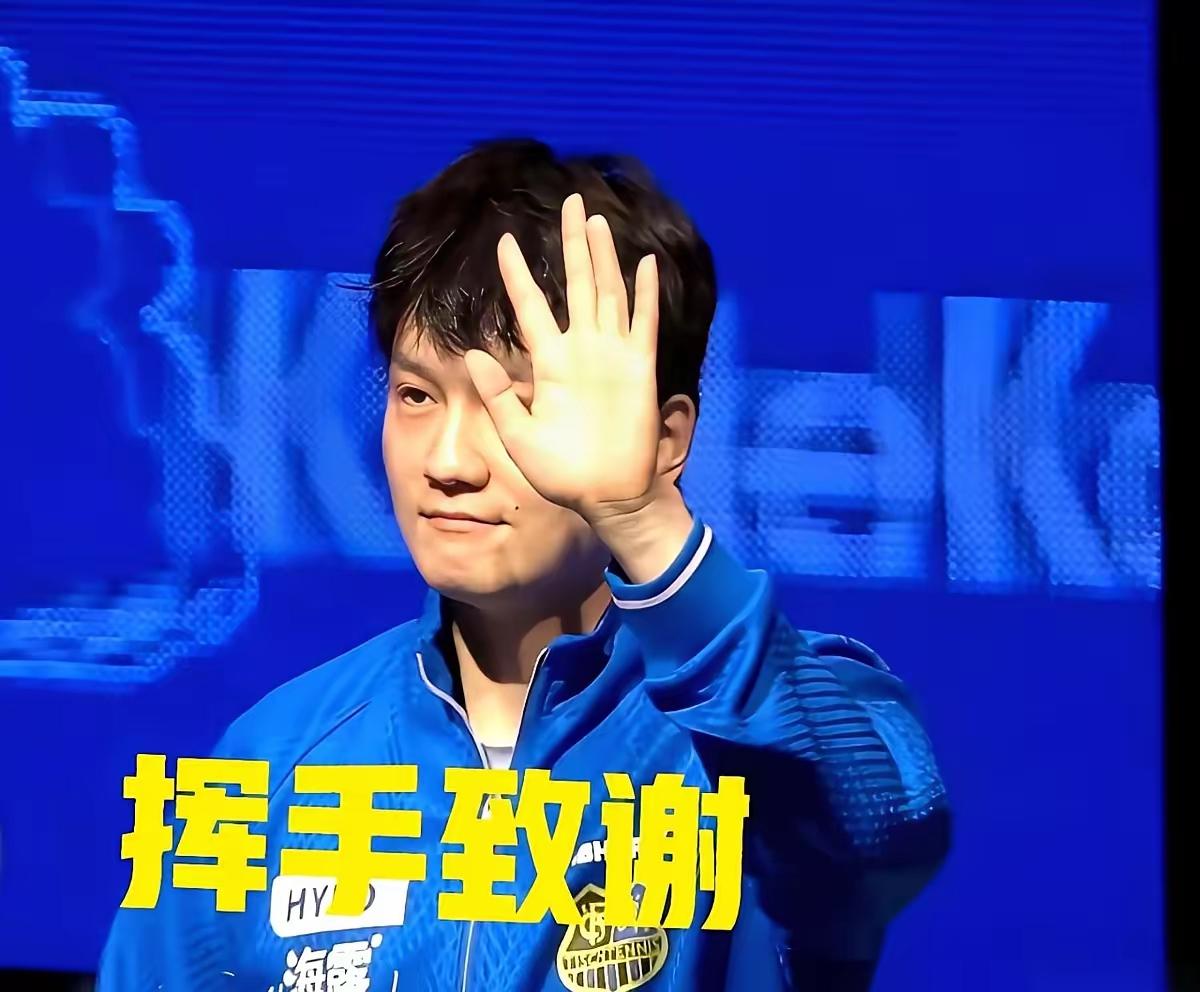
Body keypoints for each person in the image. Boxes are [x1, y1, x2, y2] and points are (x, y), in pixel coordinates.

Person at [98, 137, 950, 992]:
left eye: (519, 405)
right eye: (415, 395)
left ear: (665, 440)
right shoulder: (269, 764)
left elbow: (883, 836)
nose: (448, 461)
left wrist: (642, 519)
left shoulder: (764, 736)